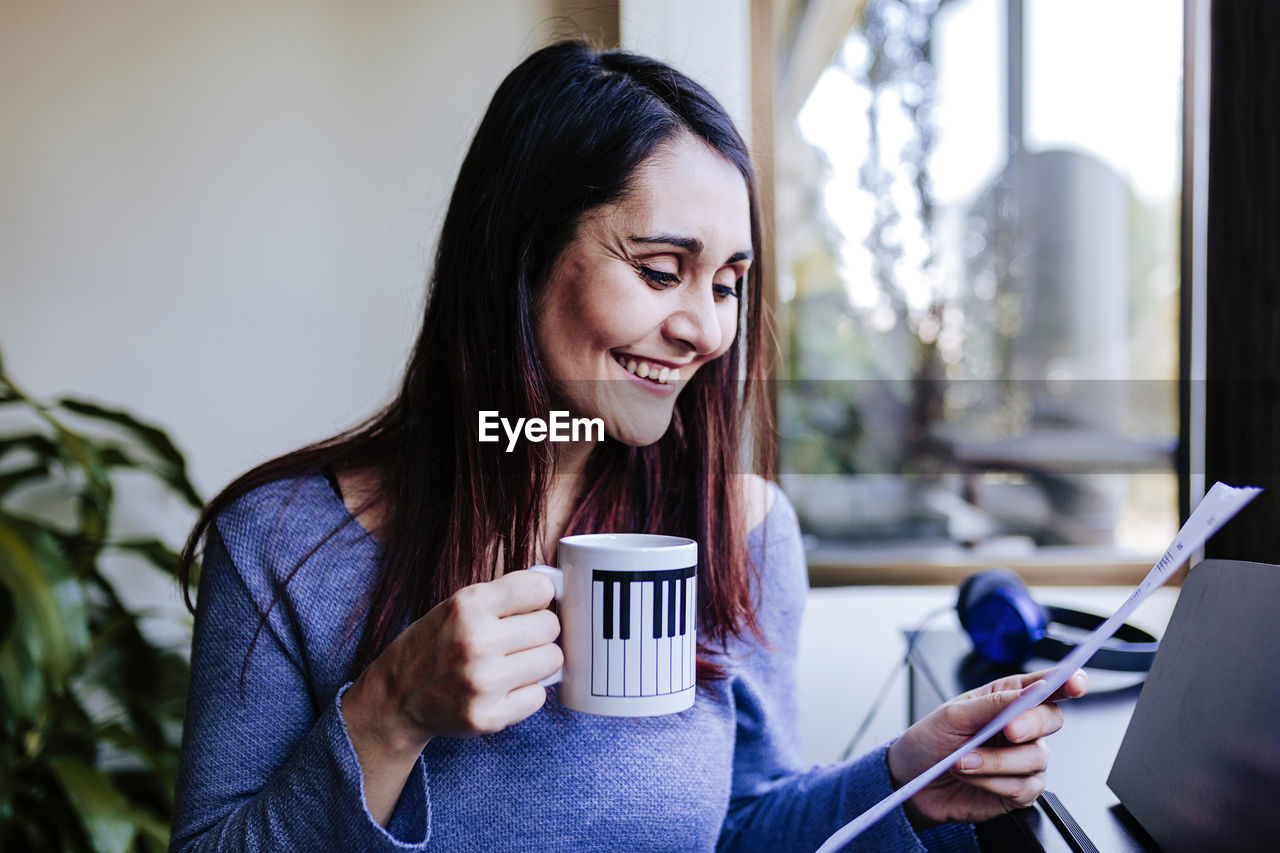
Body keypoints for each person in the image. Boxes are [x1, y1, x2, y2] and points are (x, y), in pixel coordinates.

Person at [170, 40, 1087, 852]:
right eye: (658, 271)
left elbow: (742, 824)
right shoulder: (283, 542)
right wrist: (389, 712)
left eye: (729, 284)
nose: (706, 329)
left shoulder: (744, 529)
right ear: (518, 253)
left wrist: (910, 782)